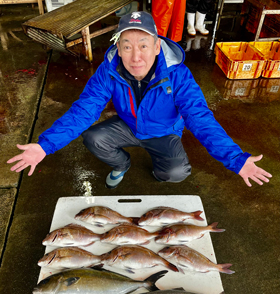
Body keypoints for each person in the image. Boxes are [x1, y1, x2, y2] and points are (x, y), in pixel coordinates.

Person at [7, 11, 272, 188]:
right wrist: (45, 145)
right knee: (93, 137)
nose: (136, 57)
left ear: (157, 47)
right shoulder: (108, 71)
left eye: (144, 45)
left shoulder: (178, 75)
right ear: (118, 49)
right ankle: (122, 165)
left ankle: (159, 168)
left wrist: (235, 158)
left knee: (174, 173)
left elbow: (200, 118)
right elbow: (84, 111)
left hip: (164, 132)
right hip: (129, 127)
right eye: (127, 46)